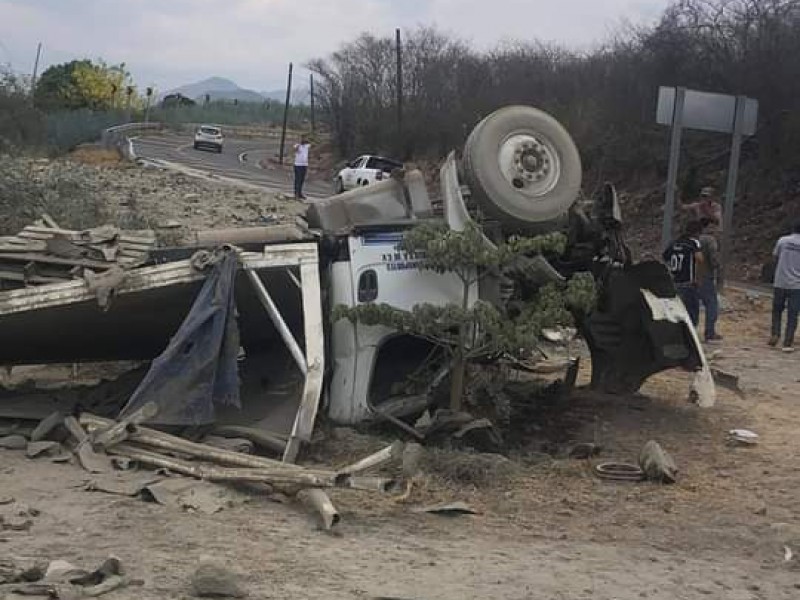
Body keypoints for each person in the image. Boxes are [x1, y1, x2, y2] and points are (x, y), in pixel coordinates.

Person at [663, 220, 705, 325]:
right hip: (688, 282)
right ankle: (691, 334)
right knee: (692, 311)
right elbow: (700, 259)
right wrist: (698, 278)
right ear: (697, 232)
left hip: (674, 282)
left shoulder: (674, 242)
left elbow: (665, 257)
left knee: (675, 310)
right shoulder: (693, 243)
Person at [769, 220, 800, 352]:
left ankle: (775, 333)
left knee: (777, 310)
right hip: (797, 285)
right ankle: (788, 341)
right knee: (793, 314)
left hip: (780, 281)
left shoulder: (783, 240)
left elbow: (775, 257)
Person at [697, 218, 722, 342]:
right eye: (715, 227)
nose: (717, 230)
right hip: (705, 276)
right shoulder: (710, 240)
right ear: (709, 226)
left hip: (691, 277)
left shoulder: (694, 238)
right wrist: (718, 266)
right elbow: (713, 258)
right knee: (712, 304)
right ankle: (710, 332)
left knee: (691, 305)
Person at [293, 135, 310, 200]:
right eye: (303, 138)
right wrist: (299, 143)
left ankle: (300, 193)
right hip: (298, 165)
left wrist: (307, 141)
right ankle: (296, 194)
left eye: (305, 138)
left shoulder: (307, 146)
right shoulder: (297, 145)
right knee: (298, 179)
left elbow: (312, 144)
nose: (304, 139)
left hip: (304, 165)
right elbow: (295, 149)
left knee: (302, 180)